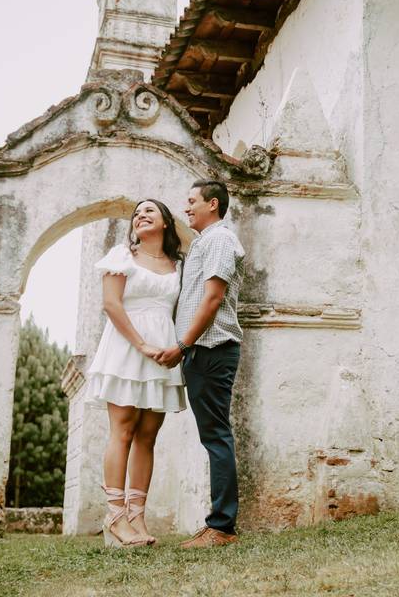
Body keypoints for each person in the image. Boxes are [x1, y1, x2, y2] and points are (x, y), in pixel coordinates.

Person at [85, 198, 186, 548]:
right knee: (123, 429)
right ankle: (114, 517)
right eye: (137, 213)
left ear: (165, 223)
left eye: (149, 212)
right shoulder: (121, 255)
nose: (140, 216)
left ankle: (137, 515)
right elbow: (111, 304)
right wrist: (141, 345)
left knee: (148, 434)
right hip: (127, 347)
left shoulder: (178, 265)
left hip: (163, 351)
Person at [156, 179, 245, 548]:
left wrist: (182, 345)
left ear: (213, 204)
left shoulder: (221, 240)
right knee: (213, 435)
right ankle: (218, 524)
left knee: (216, 436)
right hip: (202, 350)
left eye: (192, 201)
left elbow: (212, 298)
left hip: (211, 347)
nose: (186, 207)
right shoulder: (204, 243)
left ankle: (222, 527)